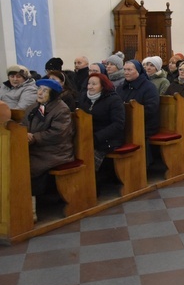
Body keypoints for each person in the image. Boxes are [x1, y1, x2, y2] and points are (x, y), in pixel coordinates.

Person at [22, 79, 74, 220]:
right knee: (16, 163)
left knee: (28, 167)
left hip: (56, 151)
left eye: (45, 90)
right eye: (39, 89)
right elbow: (23, 125)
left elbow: (57, 133)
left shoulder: (61, 109)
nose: (40, 92)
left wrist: (34, 137)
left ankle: (30, 212)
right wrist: (23, 134)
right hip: (37, 148)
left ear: (53, 94)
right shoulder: (33, 107)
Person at [80, 73, 125, 170]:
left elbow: (118, 124)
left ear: (103, 86)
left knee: (87, 154)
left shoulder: (113, 100)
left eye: (94, 84)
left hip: (107, 139)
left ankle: (91, 180)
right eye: (89, 84)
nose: (90, 87)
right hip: (88, 137)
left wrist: (96, 137)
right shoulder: (84, 99)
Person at [117, 60, 161, 138]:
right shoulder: (121, 87)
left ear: (138, 70)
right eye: (125, 70)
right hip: (125, 123)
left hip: (144, 125)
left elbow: (151, 109)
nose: (126, 72)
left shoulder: (149, 87)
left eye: (129, 70)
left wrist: (129, 116)